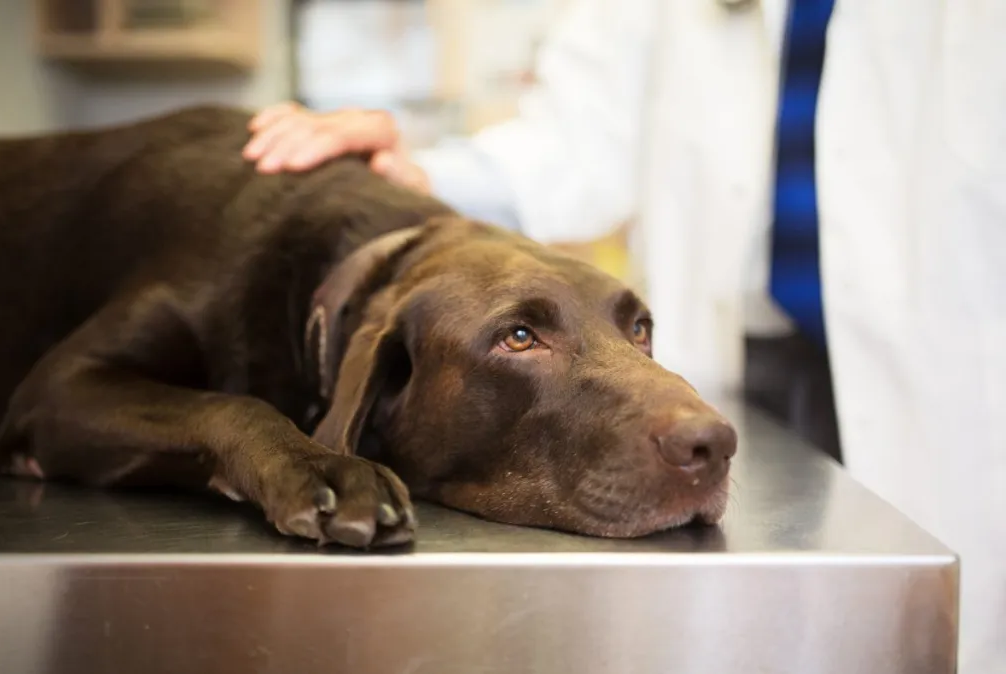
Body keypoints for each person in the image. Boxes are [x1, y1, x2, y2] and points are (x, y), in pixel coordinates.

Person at [243, 1, 1006, 671]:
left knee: (931, 639)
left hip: (959, 385)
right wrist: (406, 169)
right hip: (734, 378)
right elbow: (573, 144)